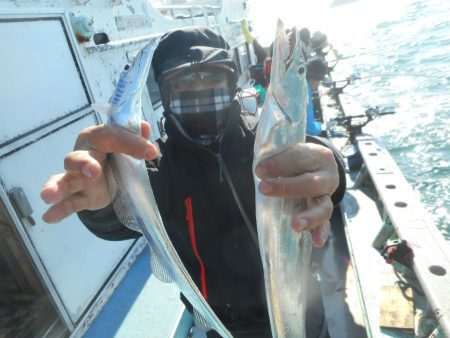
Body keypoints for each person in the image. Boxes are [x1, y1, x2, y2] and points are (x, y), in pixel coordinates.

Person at [40, 27, 346, 337]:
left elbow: (312, 153)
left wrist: (331, 168)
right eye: (184, 81)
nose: (199, 89)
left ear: (231, 83)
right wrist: (102, 199)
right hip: (221, 325)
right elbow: (118, 221)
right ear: (166, 93)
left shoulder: (266, 145)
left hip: (303, 311)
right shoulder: (156, 170)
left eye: (212, 75)